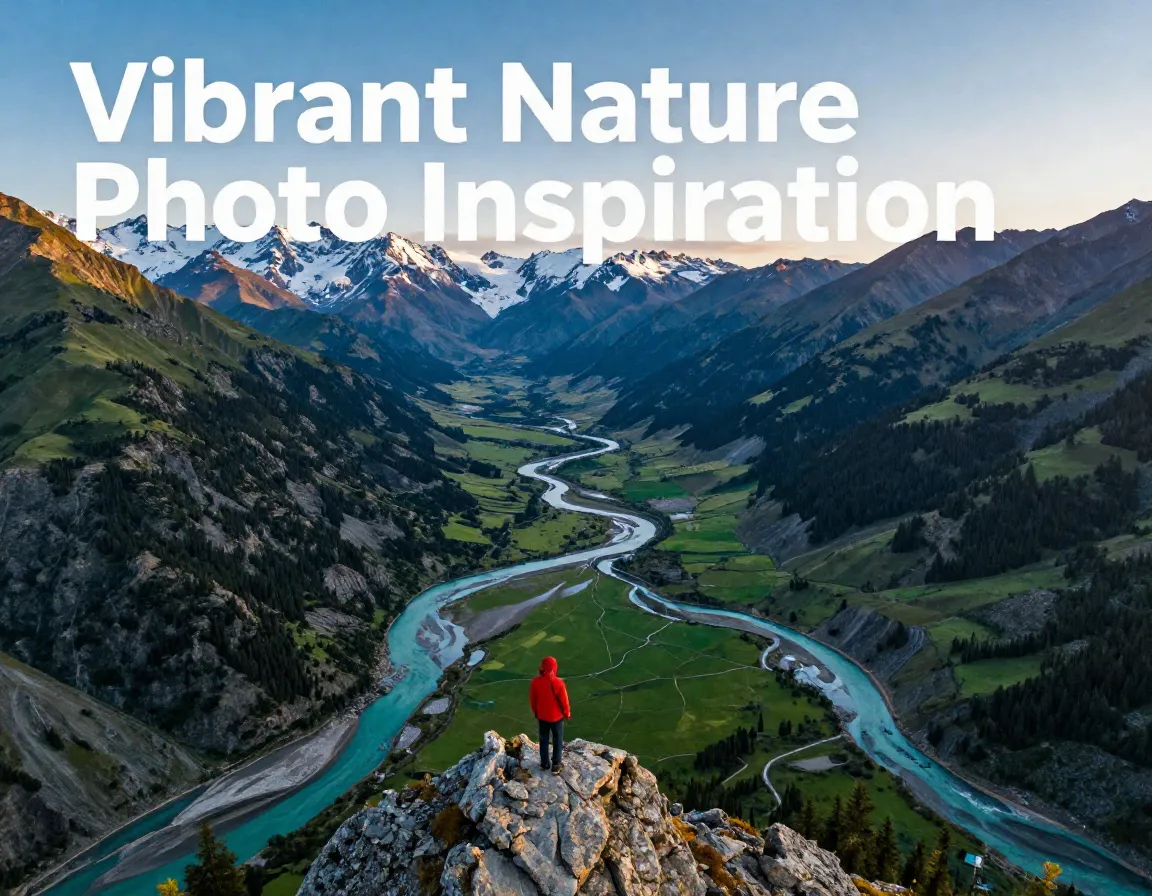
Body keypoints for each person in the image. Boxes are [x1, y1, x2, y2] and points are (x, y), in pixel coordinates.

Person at [529, 656, 570, 773]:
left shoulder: (535, 682)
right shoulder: (558, 683)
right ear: (554, 667)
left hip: (542, 716)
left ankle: (544, 763)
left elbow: (533, 700)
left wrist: (536, 712)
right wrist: (567, 714)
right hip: (557, 717)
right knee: (557, 739)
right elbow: (564, 702)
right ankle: (556, 764)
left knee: (543, 739)